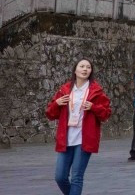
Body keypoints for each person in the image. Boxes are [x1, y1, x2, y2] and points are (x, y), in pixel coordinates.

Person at [47, 58, 112, 195]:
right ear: (75, 70)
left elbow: (106, 114)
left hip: (84, 139)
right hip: (66, 139)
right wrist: (56, 103)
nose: (85, 69)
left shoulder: (96, 91)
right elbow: (50, 114)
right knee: (60, 177)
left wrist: (94, 107)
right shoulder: (65, 90)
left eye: (88, 67)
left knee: (76, 177)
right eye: (82, 66)